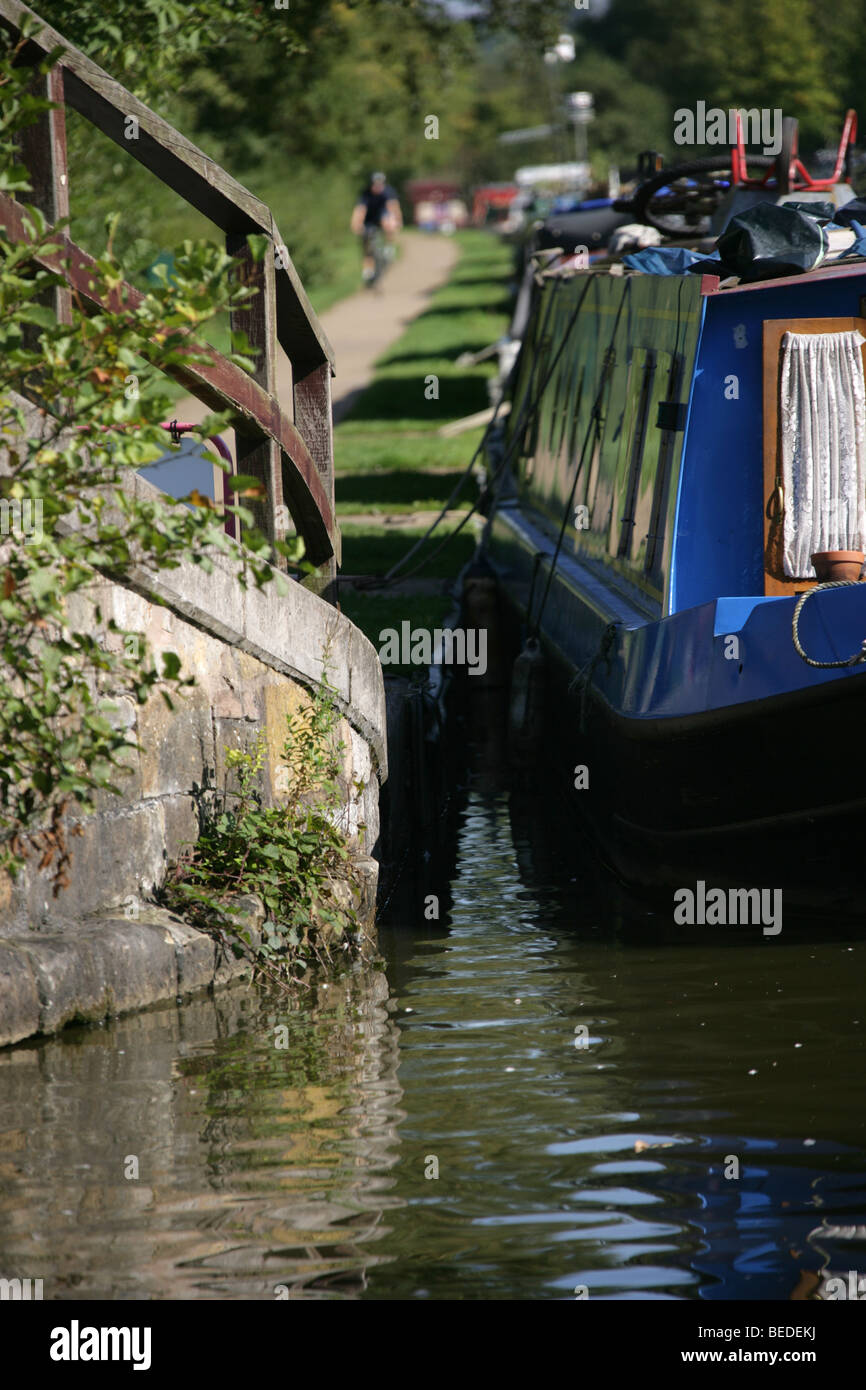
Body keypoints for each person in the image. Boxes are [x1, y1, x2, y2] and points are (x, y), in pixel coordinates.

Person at [350, 172, 402, 287]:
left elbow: (393, 208)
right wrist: (356, 224)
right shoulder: (366, 193)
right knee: (366, 242)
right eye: (375, 184)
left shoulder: (388, 192)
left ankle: (389, 248)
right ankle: (367, 272)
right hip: (369, 220)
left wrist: (397, 222)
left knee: (388, 221)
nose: (377, 187)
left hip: (382, 216)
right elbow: (360, 210)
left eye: (380, 184)